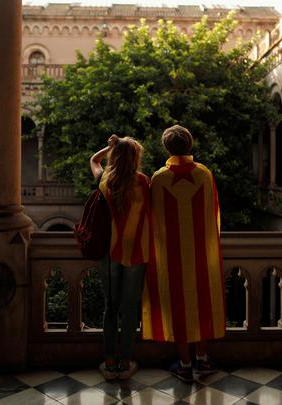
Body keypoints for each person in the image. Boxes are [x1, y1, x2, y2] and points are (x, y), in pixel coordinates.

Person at [142, 125, 225, 382]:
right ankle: (202, 359)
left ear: (166, 147)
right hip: (201, 252)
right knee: (201, 301)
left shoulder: (158, 178)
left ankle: (185, 364)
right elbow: (215, 214)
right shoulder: (204, 174)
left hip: (171, 255)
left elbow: (151, 218)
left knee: (176, 303)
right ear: (190, 145)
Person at [90, 134, 150, 380]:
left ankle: (109, 358)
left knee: (110, 307)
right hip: (136, 253)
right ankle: (125, 361)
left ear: (115, 157)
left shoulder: (105, 180)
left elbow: (94, 160)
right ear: (136, 158)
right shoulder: (144, 182)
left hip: (109, 253)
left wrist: (109, 147)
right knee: (129, 309)